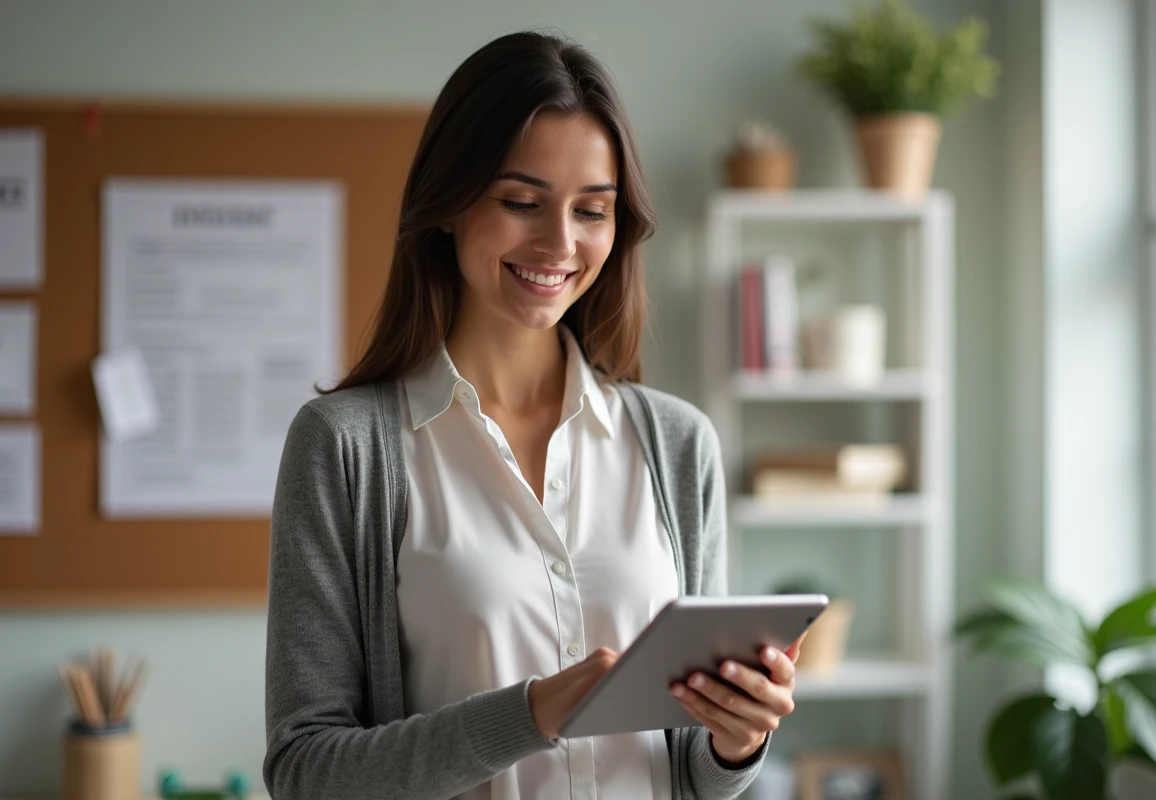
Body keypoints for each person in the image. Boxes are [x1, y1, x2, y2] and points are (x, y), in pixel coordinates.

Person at [263, 29, 805, 800]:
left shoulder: (679, 444)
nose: (559, 242)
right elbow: (304, 771)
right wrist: (527, 715)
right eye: (522, 203)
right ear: (448, 204)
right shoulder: (344, 447)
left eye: (593, 210)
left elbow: (691, 769)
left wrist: (735, 740)